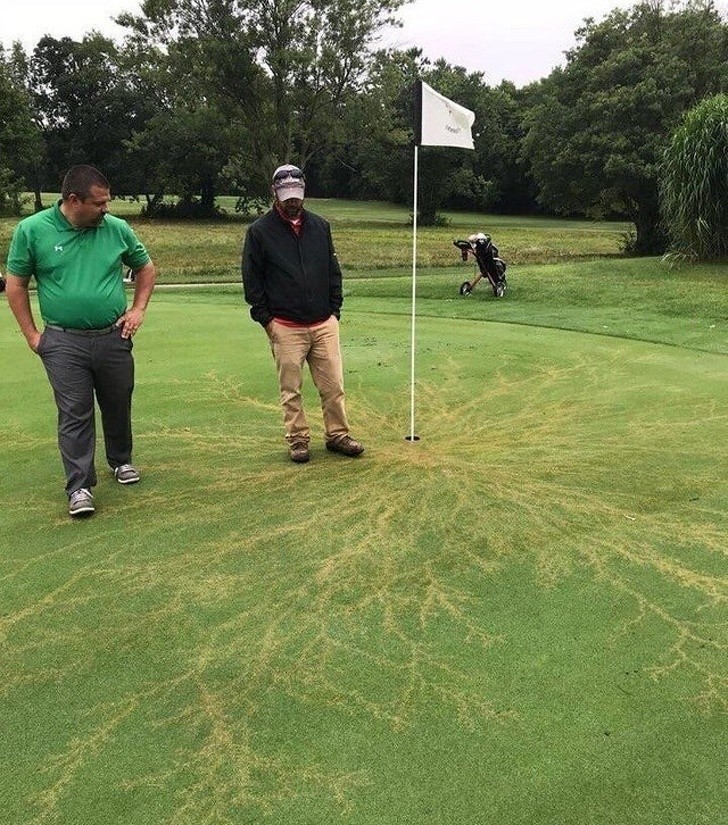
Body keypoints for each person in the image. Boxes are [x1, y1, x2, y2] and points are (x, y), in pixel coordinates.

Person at [5, 164, 157, 517]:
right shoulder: (32, 231)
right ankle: (79, 486)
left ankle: (121, 460)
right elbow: (16, 285)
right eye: (99, 203)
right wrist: (33, 336)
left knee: (118, 401)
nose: (106, 209)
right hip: (62, 340)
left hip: (113, 335)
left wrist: (138, 310)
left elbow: (146, 268)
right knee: (74, 412)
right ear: (74, 200)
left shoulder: (116, 228)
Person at [242, 163, 364, 464]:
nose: (292, 201)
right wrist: (267, 321)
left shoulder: (320, 227)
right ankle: (297, 439)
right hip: (285, 324)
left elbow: (332, 271)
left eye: (296, 194)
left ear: (304, 192)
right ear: (275, 193)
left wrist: (335, 310)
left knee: (333, 386)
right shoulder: (259, 232)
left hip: (324, 322)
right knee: (291, 389)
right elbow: (252, 281)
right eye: (286, 195)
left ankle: (337, 435)